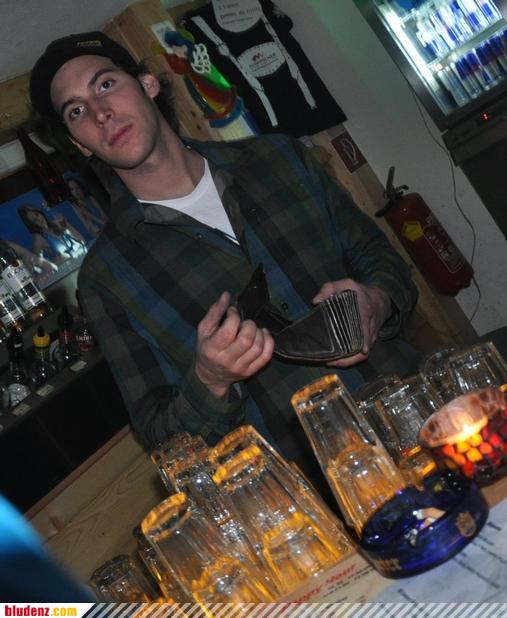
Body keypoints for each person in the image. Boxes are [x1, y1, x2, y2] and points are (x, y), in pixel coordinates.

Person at [29, 32, 418, 487]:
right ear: (79, 144)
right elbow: (161, 435)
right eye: (76, 111)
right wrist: (209, 380)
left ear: (148, 84)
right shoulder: (107, 277)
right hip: (311, 491)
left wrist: (378, 300)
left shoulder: (280, 158)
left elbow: (381, 259)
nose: (99, 112)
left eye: (106, 84)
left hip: (412, 419)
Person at [18, 205, 87, 265]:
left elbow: (83, 241)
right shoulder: (38, 238)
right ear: (32, 224)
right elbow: (39, 265)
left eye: (36, 214)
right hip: (68, 269)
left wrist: (67, 225)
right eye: (34, 220)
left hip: (83, 259)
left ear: (40, 212)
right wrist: (57, 261)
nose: (39, 219)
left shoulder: (56, 223)